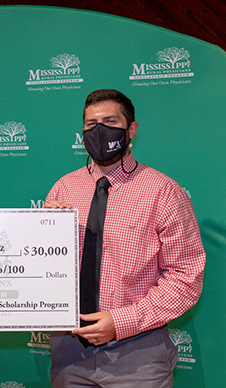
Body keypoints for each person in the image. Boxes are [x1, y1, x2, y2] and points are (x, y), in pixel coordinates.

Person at [44, 89, 205, 387]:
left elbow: (185, 276)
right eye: (91, 125)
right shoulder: (63, 189)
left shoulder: (163, 191)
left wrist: (121, 322)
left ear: (131, 129)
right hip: (68, 352)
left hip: (137, 355)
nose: (99, 130)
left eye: (109, 121)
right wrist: (46, 229)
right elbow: (41, 267)